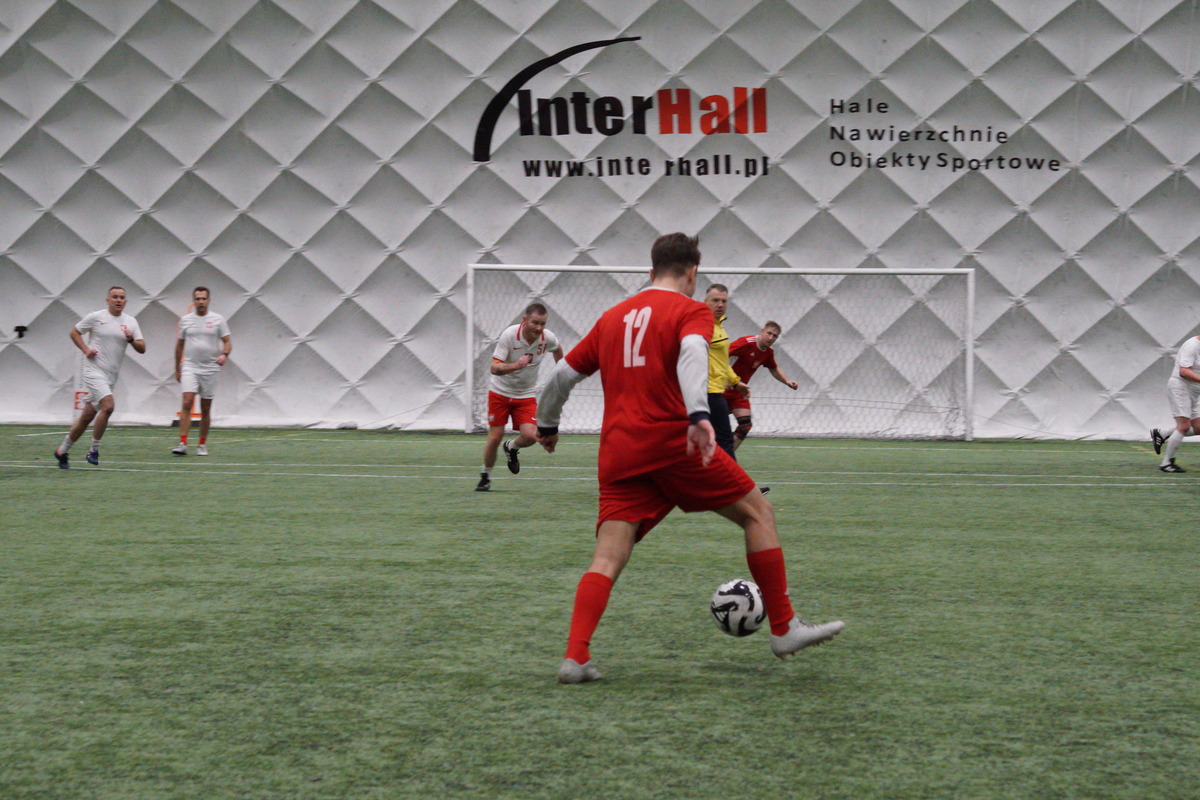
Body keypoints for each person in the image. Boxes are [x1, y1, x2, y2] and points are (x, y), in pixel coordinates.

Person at [535, 232, 844, 684]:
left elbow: (561, 377)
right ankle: (783, 627)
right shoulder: (690, 311)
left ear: (650, 270)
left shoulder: (612, 318)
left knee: (607, 557)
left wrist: (547, 425)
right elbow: (694, 351)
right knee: (758, 512)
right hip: (670, 443)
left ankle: (575, 656)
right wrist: (699, 414)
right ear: (693, 272)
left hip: (619, 452)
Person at [54, 286, 146, 468]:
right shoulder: (96, 317)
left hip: (111, 377)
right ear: (108, 300)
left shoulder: (131, 322)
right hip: (93, 371)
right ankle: (94, 450)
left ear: (125, 301)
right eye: (115, 297)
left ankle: (62, 451)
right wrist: (86, 349)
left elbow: (142, 348)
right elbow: (74, 332)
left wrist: (130, 340)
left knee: (86, 417)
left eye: (122, 297)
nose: (118, 300)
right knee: (109, 406)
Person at [476, 302, 563, 491]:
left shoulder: (547, 338)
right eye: (535, 323)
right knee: (495, 437)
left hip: (526, 394)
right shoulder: (509, 335)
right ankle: (485, 477)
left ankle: (511, 447)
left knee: (531, 436)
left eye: (542, 324)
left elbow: (557, 349)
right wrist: (517, 365)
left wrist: (560, 371)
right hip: (500, 392)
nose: (538, 328)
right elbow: (494, 368)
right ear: (525, 320)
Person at [172, 287, 232, 456]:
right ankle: (182, 443)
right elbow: (179, 345)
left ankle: (202, 444)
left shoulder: (218, 320)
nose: (200, 302)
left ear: (208, 300)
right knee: (187, 402)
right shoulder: (185, 320)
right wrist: (177, 368)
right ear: (193, 301)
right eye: (197, 299)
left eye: (203, 299)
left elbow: (227, 341)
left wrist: (224, 354)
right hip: (190, 367)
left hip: (210, 369)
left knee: (205, 408)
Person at [724, 322, 799, 450]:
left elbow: (773, 368)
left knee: (745, 426)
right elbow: (720, 356)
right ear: (762, 331)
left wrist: (787, 381)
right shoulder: (746, 342)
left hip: (739, 393)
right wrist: (724, 378)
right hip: (722, 390)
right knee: (711, 425)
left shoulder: (768, 352)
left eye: (775, 336)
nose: (771, 338)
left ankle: (726, 455)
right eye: (769, 333)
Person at [704, 284, 749, 460]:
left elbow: (722, 361)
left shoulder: (719, 326)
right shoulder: (702, 326)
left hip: (715, 391)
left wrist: (736, 382)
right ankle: (734, 479)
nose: (720, 304)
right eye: (715, 300)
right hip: (708, 392)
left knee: (713, 441)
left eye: (724, 301)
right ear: (705, 302)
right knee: (724, 440)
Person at [1151, 332, 1200, 473]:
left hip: (1194, 391)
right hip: (1180, 388)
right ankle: (1166, 464)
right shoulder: (1192, 345)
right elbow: (1183, 372)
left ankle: (1162, 434)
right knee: (1184, 426)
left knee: (1198, 427)